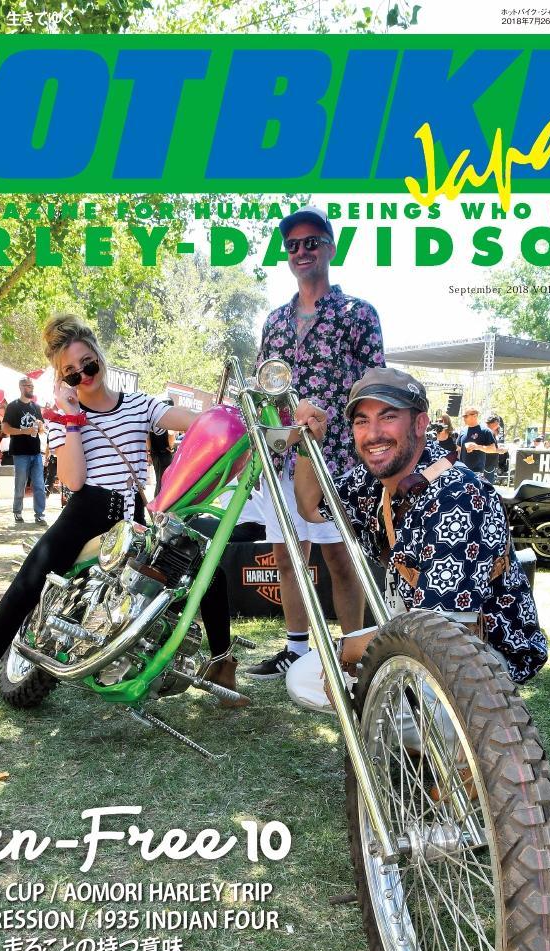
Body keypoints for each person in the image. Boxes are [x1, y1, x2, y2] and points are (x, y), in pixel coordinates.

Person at [0, 314, 247, 742]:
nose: (83, 376)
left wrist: (243, 418)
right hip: (87, 511)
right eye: (71, 373)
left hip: (134, 516)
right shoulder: (61, 416)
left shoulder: (139, 404)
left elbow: (197, 422)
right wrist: (72, 416)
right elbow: (73, 480)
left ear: (99, 356)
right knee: (26, 585)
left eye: (88, 364)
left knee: (206, 573)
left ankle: (221, 664)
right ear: (62, 379)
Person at [289, 366, 547, 712]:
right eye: (362, 421)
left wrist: (344, 650)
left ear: (421, 423)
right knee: (304, 677)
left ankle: (447, 734)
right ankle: (397, 732)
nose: (373, 433)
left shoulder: (458, 496)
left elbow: (443, 631)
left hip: (477, 656)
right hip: (415, 635)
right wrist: (309, 444)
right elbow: (310, 506)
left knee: (365, 676)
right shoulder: (375, 479)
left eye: (388, 417)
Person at [246, 205, 385, 682]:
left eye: (311, 242)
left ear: (330, 248)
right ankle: (295, 648)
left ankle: (353, 655)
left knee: (340, 558)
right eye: (293, 245)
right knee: (287, 555)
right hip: (281, 457)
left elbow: (373, 386)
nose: (301, 251)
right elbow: (264, 387)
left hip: (335, 459)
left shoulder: (358, 313)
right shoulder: (275, 320)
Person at [2, 377, 47, 525]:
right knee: (20, 484)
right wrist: (24, 431)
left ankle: (40, 515)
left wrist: (40, 425)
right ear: (21, 387)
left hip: (36, 452)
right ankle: (17, 512)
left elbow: (42, 431)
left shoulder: (36, 406)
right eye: (28, 386)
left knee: (39, 485)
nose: (31, 388)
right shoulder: (13, 406)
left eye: (32, 386)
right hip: (20, 452)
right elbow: (5, 429)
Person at [457, 407, 498, 478]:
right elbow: (458, 449)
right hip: (462, 471)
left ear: (475, 416)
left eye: (466, 416)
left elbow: (493, 449)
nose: (463, 418)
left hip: (477, 472)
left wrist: (477, 447)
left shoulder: (485, 431)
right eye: (463, 416)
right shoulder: (463, 431)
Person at [483, 414, 504, 485]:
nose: (498, 426)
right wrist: (499, 450)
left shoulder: (490, 433)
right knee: (487, 486)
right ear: (494, 422)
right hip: (486, 465)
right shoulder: (487, 432)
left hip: (490, 465)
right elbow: (486, 448)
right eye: (497, 423)